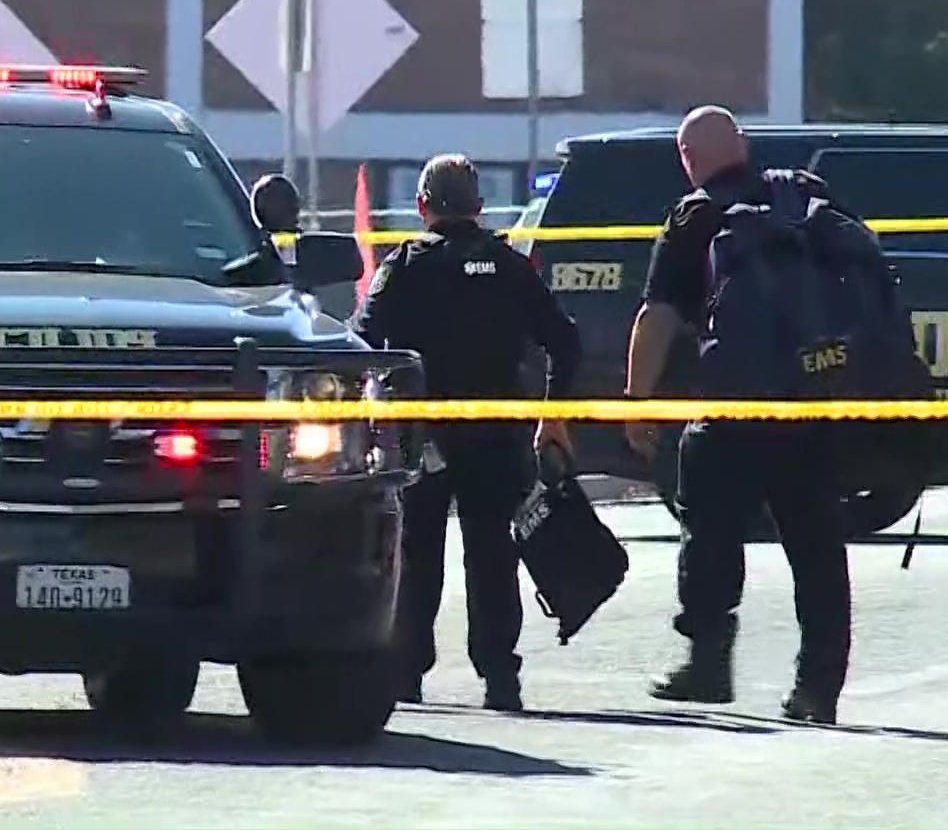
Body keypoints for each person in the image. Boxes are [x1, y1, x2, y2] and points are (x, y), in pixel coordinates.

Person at [624, 105, 852, 725]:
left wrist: (636, 403)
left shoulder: (695, 217)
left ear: (688, 161)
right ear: (745, 146)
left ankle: (707, 665)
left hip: (731, 409)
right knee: (816, 545)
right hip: (812, 399)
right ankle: (818, 687)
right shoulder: (804, 200)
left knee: (710, 532)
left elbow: (658, 316)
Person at [353, 153, 582, 712]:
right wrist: (553, 413)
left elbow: (359, 340)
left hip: (423, 435)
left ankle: (406, 674)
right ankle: (500, 677)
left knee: (416, 550)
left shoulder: (404, 266)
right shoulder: (508, 266)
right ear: (479, 207)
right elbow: (565, 341)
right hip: (494, 432)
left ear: (421, 207)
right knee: (491, 553)